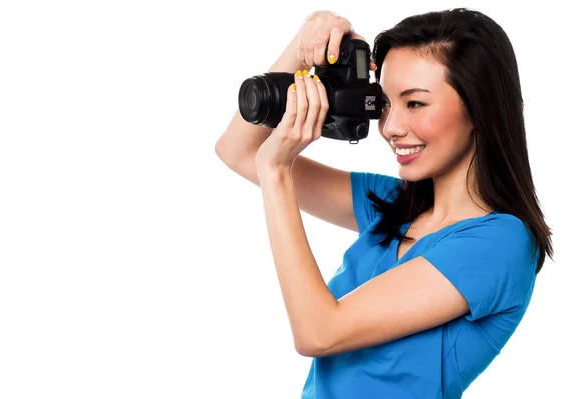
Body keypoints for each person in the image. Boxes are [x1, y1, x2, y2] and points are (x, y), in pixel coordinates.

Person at [215, 7, 553, 398]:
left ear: (479, 108)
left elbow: (319, 333)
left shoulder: (501, 242)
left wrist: (278, 172)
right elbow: (237, 150)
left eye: (415, 103)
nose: (390, 127)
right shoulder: (391, 204)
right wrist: (307, 43)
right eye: (385, 103)